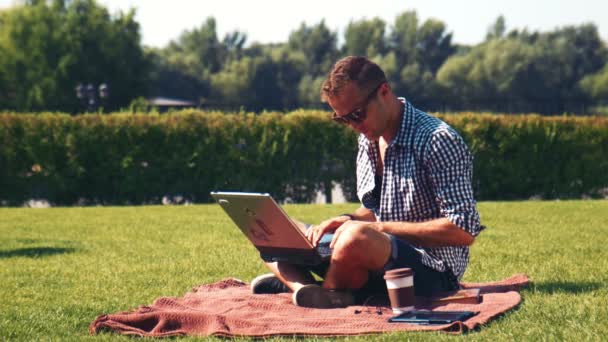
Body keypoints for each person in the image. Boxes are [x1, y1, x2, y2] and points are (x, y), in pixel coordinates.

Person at [251, 56, 484, 309]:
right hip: (375, 253)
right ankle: (305, 288)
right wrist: (348, 218)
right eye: (343, 119)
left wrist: (378, 229)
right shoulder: (369, 138)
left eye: (358, 114)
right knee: (271, 227)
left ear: (384, 91)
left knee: (355, 238)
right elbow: (377, 210)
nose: (354, 126)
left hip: (435, 270)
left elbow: (463, 229)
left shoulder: (438, 140)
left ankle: (324, 291)